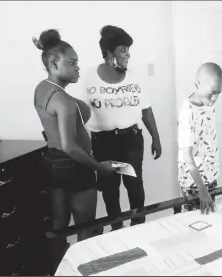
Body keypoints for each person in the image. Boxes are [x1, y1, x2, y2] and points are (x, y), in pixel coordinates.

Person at [32, 29, 117, 267]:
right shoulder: (64, 101)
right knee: (86, 229)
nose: (77, 67)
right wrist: (100, 167)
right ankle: (82, 271)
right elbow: (70, 146)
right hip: (75, 167)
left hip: (53, 164)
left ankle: (57, 271)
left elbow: (59, 140)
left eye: (77, 62)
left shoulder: (42, 89)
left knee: (59, 228)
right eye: (72, 63)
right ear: (53, 63)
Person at [83, 25, 162, 231]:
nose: (128, 54)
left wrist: (156, 138)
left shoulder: (135, 77)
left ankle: (138, 227)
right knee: (110, 190)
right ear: (110, 53)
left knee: (135, 186)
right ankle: (116, 230)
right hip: (103, 143)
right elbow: (79, 115)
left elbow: (146, 110)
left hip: (131, 141)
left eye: (128, 49)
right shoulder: (88, 77)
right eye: (123, 50)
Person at [177, 63, 222, 214]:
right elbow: (187, 156)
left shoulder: (208, 103)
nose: (215, 98)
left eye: (219, 93)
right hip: (195, 183)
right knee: (196, 223)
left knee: (210, 221)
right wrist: (202, 189)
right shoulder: (187, 113)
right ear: (197, 84)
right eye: (212, 93)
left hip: (210, 176)